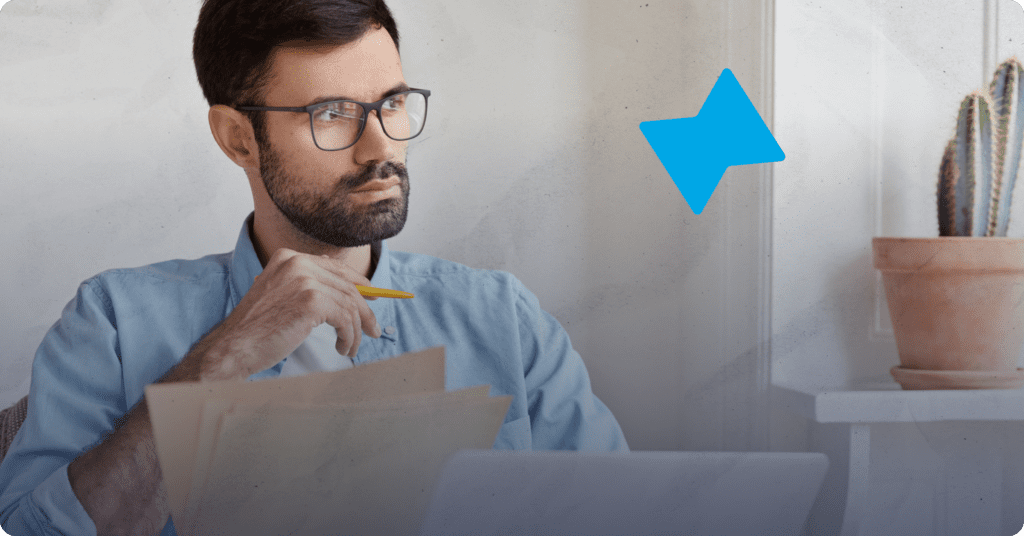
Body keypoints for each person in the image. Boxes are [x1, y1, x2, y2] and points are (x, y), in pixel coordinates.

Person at [0, 0, 628, 534]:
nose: (382, 147)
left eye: (392, 102)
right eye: (332, 113)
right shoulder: (112, 321)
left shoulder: (503, 320)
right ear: (237, 138)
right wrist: (221, 361)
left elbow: (626, 516)